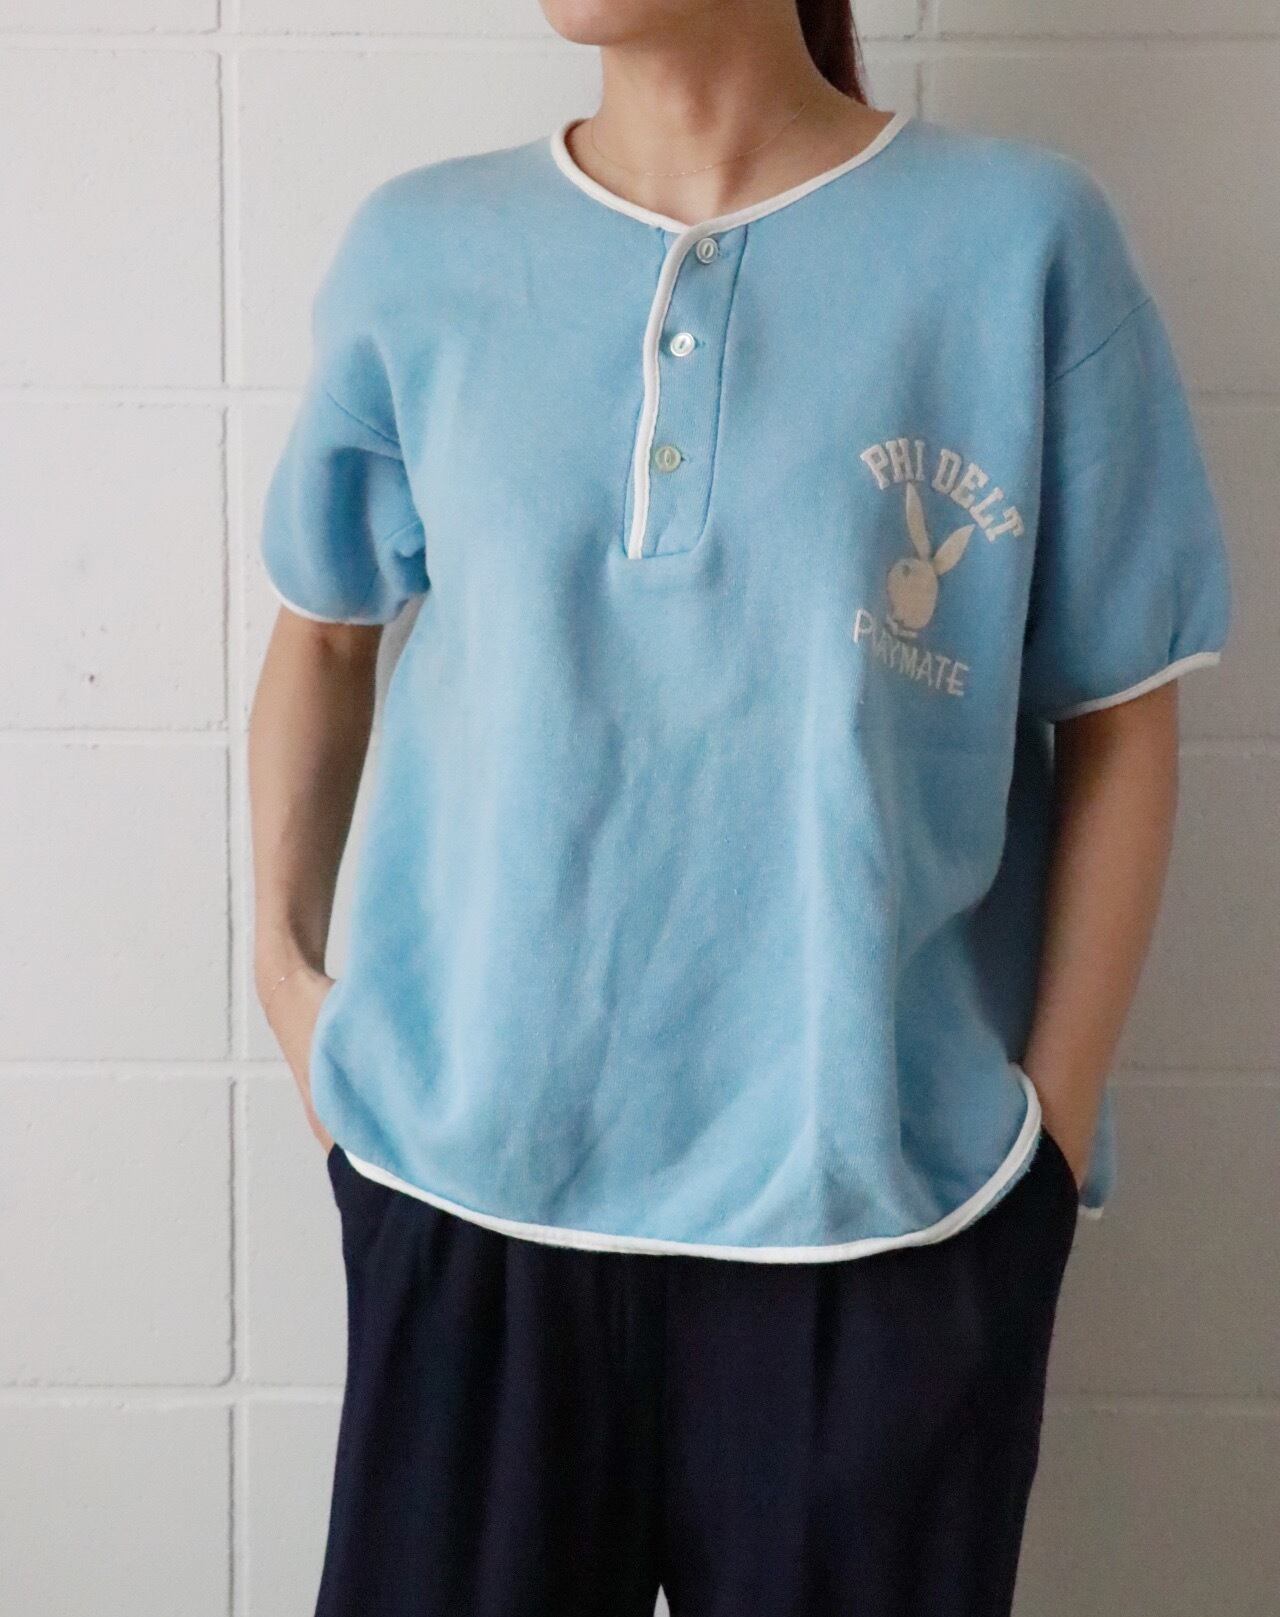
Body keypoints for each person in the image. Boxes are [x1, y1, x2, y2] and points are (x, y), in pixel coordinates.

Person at [248, 2, 1232, 1613]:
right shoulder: (420, 254)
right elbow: (323, 634)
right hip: (466, 1193)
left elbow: (1122, 715)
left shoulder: (1020, 245)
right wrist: (291, 986)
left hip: (882, 1228)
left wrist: (1042, 1146)